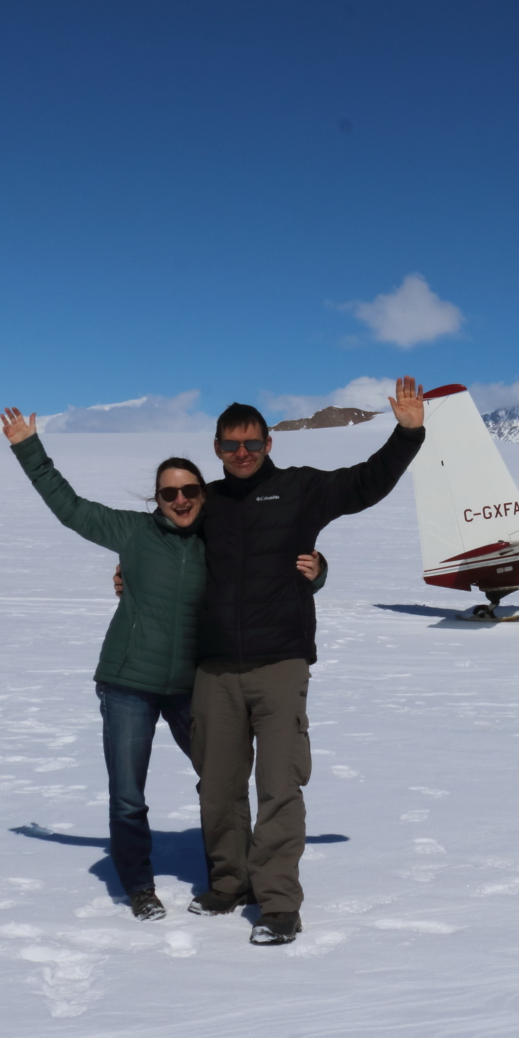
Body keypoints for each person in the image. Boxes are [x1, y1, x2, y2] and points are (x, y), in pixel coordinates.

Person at [0, 407, 326, 920]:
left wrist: (317, 571)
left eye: (190, 492)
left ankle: (238, 877)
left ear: (204, 495)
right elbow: (69, 507)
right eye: (169, 493)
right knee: (129, 795)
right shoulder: (131, 533)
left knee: (219, 781)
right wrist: (27, 447)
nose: (180, 500)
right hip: (128, 682)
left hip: (191, 685)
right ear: (157, 498)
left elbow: (274, 566)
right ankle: (139, 886)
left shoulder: (216, 539)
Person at [186, 375, 426, 945]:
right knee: (217, 787)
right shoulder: (205, 504)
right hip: (214, 668)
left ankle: (277, 903)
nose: (241, 454)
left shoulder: (298, 490)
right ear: (216, 449)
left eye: (251, 444)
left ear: (270, 445)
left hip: (280, 663)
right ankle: (228, 882)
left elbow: (365, 483)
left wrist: (408, 434)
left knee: (278, 785)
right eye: (229, 445)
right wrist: (128, 575)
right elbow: (160, 552)